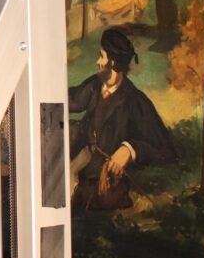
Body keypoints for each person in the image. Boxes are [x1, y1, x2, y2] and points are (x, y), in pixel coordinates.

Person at [68, 28, 177, 212]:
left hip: (106, 187)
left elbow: (166, 150)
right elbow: (73, 100)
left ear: (113, 62)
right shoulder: (96, 84)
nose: (98, 62)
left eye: (102, 57)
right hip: (80, 168)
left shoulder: (135, 101)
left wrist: (129, 149)